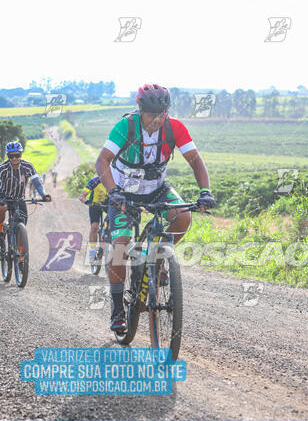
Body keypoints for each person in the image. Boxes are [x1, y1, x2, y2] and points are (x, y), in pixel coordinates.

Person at [96, 83, 216, 332]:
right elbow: (103, 161)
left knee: (182, 217)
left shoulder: (174, 127)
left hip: (156, 189)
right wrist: (113, 192)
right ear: (141, 110)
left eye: (162, 114)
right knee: (121, 245)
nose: (157, 120)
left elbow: (195, 160)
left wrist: (205, 192)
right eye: (152, 114)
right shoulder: (126, 126)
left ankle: (158, 261)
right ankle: (118, 308)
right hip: (123, 194)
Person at [0, 141, 51, 237]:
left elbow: (37, 183)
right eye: (11, 156)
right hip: (4, 197)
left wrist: (44, 195)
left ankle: (20, 250)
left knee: (22, 225)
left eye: (17, 155)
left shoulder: (28, 166)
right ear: (7, 156)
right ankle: (0, 229)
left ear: (21, 154)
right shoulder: (2, 168)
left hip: (20, 198)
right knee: (1, 208)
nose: (14, 158)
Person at [79, 175, 108, 264]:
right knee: (94, 227)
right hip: (95, 205)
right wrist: (87, 202)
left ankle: (106, 238)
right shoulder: (95, 180)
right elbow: (82, 196)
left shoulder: (116, 179)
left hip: (108, 205)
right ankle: (92, 252)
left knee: (111, 225)